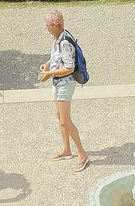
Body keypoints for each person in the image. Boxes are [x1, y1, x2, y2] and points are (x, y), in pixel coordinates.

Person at [39, 10, 90, 170]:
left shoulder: (64, 41)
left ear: (57, 24)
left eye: (48, 25)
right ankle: (66, 150)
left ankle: (82, 154)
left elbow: (69, 67)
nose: (47, 28)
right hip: (57, 83)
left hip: (64, 84)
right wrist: (48, 64)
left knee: (64, 120)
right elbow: (58, 56)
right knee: (59, 116)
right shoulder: (58, 37)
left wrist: (50, 73)